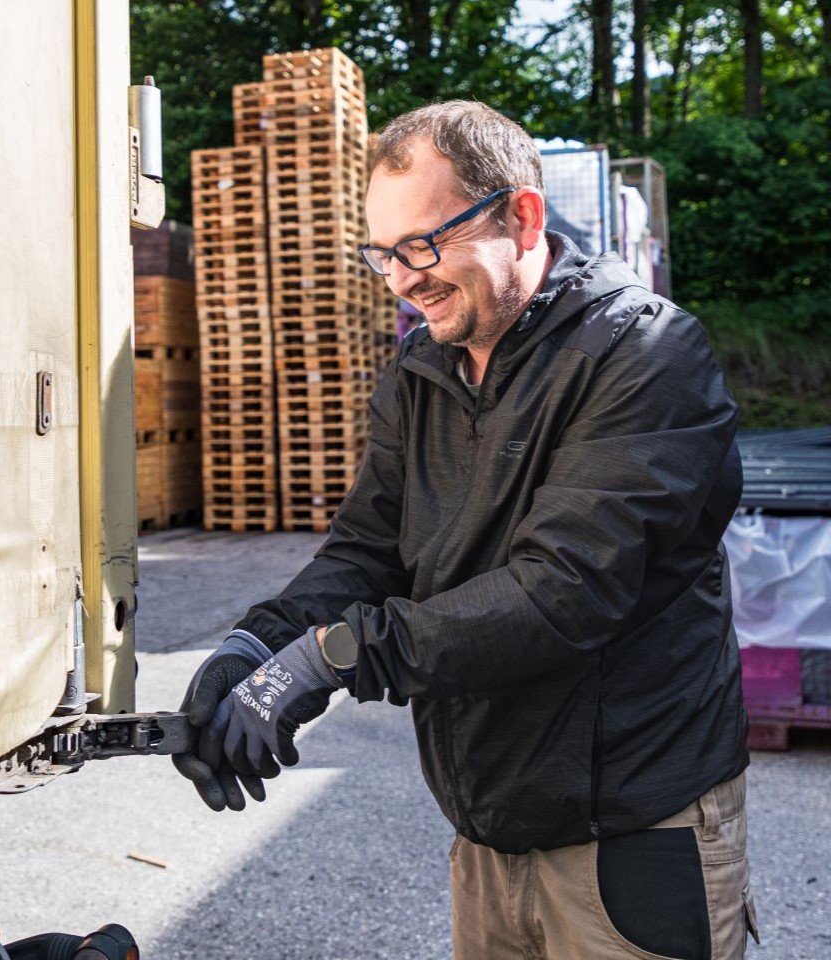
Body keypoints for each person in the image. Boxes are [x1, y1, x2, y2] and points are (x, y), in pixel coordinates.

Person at [173, 100, 759, 959]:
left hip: (633, 830)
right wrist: (254, 648)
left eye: (423, 245)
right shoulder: (423, 371)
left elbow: (564, 593)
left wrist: (332, 656)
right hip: (488, 833)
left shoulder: (644, 354)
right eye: (383, 255)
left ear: (521, 216)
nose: (404, 280)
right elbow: (366, 551)